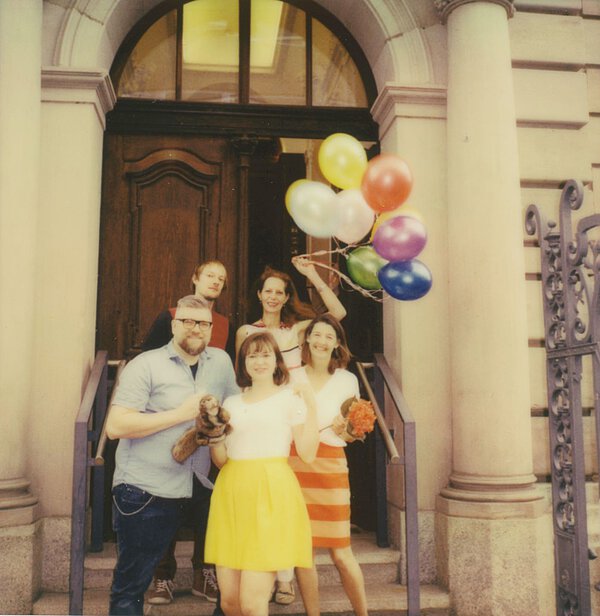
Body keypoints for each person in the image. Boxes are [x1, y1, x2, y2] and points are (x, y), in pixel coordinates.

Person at [106, 295, 239, 616]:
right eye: (188, 322)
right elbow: (116, 426)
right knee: (131, 588)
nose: (196, 329)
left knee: (230, 582)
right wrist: (180, 414)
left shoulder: (221, 362)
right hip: (146, 489)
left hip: (201, 483)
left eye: (204, 323)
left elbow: (236, 408)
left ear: (212, 328)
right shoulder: (145, 364)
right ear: (174, 325)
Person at [234, 256, 347, 604]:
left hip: (293, 415)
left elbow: (337, 313)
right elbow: (242, 377)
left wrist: (312, 274)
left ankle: (285, 580)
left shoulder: (296, 329)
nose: (272, 297)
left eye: (279, 292)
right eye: (267, 291)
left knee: (287, 503)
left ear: (285, 298)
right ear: (259, 294)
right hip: (265, 420)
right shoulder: (246, 332)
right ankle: (266, 573)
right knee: (269, 504)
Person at [204, 331, 319, 616]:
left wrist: (312, 406)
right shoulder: (231, 404)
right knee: (230, 602)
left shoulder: (289, 398)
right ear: (243, 363)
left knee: (252, 603)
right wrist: (212, 433)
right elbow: (221, 460)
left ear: (277, 361)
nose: (259, 361)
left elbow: (307, 453)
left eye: (266, 355)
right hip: (231, 494)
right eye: (252, 356)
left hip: (271, 495)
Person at [142, 260, 231, 607]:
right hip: (170, 425)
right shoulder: (170, 316)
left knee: (208, 504)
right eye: (210, 275)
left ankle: (203, 573)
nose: (215, 282)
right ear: (195, 278)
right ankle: (162, 576)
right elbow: (149, 360)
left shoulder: (223, 323)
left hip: (206, 431)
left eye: (221, 279)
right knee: (166, 503)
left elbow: (223, 375)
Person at [288, 314, 369, 616]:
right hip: (295, 464)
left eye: (329, 337)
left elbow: (354, 432)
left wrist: (343, 429)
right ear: (307, 338)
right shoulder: (291, 376)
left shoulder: (347, 379)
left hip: (331, 466)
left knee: (341, 552)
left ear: (337, 344)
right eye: (317, 334)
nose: (322, 341)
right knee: (303, 552)